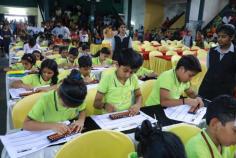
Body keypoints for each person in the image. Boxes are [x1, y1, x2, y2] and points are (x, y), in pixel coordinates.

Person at [23, 69, 87, 134]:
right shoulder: (46, 99)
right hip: (49, 131)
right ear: (58, 93)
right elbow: (26, 124)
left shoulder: (78, 95)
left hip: (69, 128)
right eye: (65, 105)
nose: (68, 108)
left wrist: (81, 120)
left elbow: (82, 110)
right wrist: (52, 125)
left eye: (74, 107)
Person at [93, 48, 142, 115]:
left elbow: (138, 95)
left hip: (127, 114)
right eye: (125, 71)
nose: (128, 75)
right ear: (117, 65)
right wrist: (105, 105)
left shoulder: (133, 78)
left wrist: (138, 104)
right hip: (110, 116)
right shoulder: (107, 78)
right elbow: (96, 103)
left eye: (132, 72)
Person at [199, 24, 236, 100]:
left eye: (223, 37)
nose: (219, 39)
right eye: (218, 36)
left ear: (232, 37)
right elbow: (209, 67)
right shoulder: (212, 51)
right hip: (207, 88)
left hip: (225, 91)